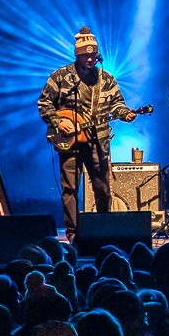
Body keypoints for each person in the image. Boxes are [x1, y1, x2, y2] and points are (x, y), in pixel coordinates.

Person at [34, 27, 145, 240]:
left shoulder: (106, 79)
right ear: (77, 55)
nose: (91, 59)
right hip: (69, 143)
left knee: (103, 187)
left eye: (93, 55)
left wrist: (125, 113)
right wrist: (58, 122)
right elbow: (44, 102)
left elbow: (117, 103)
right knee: (70, 189)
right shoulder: (61, 77)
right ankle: (73, 234)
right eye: (86, 55)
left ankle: (103, 231)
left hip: (98, 142)